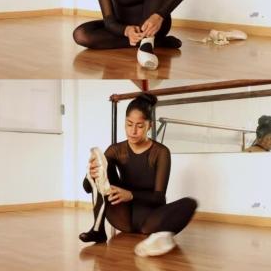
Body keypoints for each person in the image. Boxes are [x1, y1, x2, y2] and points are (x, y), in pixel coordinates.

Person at [79, 93, 198, 257]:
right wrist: (90, 174)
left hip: (149, 220)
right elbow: (87, 189)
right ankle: (98, 230)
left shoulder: (160, 152)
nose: (133, 131)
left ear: (150, 125)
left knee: (189, 203)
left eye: (140, 126)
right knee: (104, 164)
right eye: (129, 124)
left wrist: (130, 195)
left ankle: (159, 236)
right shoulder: (115, 150)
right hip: (122, 216)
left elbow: (159, 198)